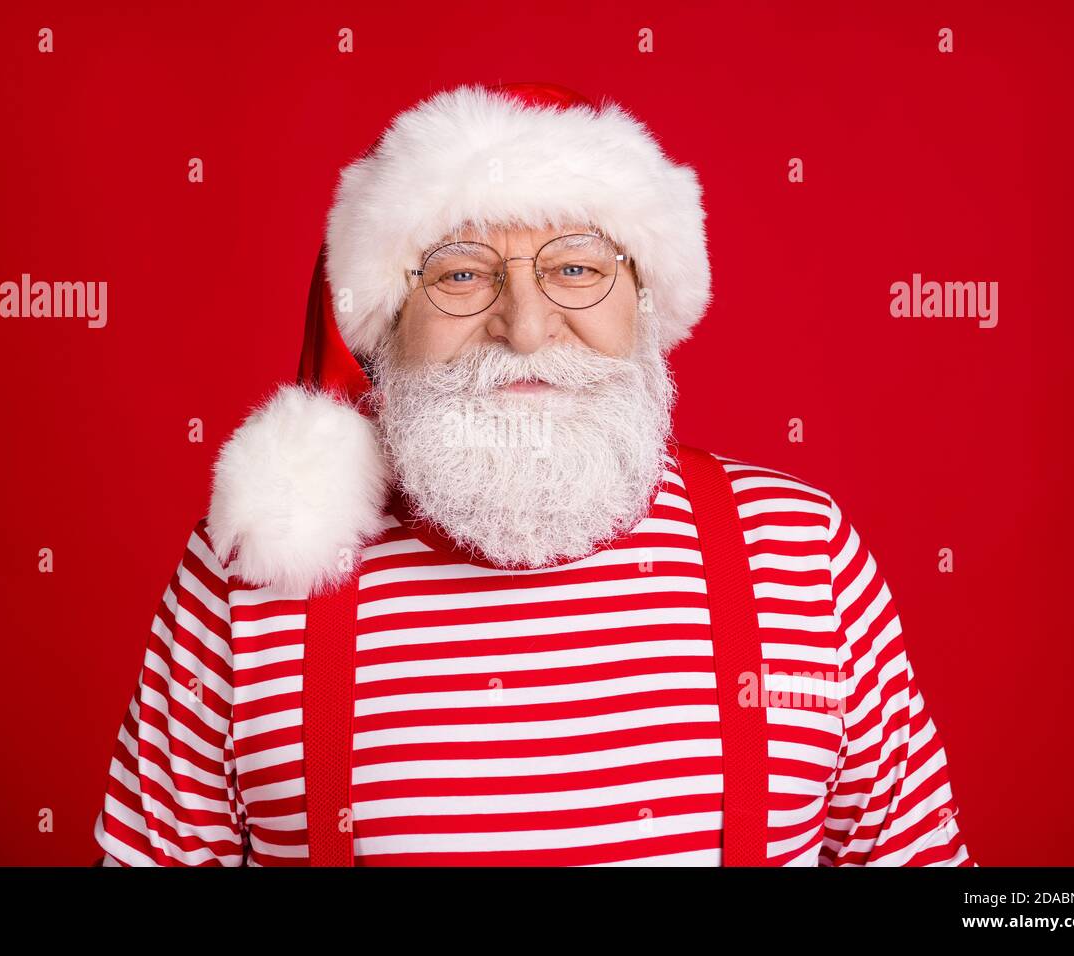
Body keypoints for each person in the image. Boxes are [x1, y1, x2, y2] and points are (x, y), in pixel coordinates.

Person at [93, 81, 972, 867]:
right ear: (388, 322)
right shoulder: (256, 572)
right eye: (463, 273)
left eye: (578, 268)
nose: (524, 327)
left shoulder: (802, 559)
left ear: (647, 301)